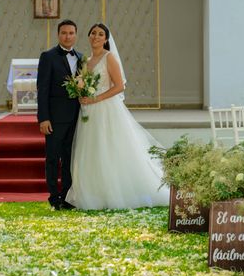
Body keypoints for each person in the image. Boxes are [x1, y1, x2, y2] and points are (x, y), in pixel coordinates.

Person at [65, 23, 169, 210]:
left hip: (106, 109)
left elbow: (119, 86)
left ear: (106, 40)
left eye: (100, 34)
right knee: (92, 149)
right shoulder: (85, 61)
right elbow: (83, 83)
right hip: (88, 112)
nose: (96, 37)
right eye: (93, 33)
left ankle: (116, 192)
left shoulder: (109, 58)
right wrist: (81, 94)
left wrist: (96, 98)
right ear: (88, 37)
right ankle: (94, 193)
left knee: (109, 148)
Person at [37, 19, 82, 210]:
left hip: (77, 117)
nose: (68, 36)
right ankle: (54, 197)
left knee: (70, 158)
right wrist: (43, 118)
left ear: (76, 35)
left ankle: (67, 196)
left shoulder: (81, 57)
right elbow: (42, 89)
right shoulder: (48, 56)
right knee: (53, 158)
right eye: (64, 33)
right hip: (55, 118)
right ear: (58, 34)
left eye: (71, 33)